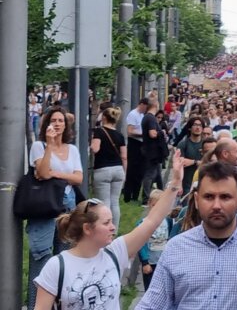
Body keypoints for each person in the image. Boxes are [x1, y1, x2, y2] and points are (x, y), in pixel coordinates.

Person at [33, 153, 183, 310]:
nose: (113, 227)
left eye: (112, 221)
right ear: (87, 229)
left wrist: (175, 183)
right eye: (106, 223)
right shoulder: (57, 266)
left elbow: (151, 222)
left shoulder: (115, 252)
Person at [137, 162, 237, 310]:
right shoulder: (176, 247)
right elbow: (153, 303)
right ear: (197, 200)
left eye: (225, 197)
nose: (216, 205)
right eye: (209, 197)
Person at [26, 108, 84, 310]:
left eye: (61, 120)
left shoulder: (72, 149)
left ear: (66, 125)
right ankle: (36, 305)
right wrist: (50, 145)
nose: (58, 124)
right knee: (41, 257)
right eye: (53, 120)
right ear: (46, 124)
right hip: (44, 205)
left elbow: (78, 178)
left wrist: (56, 174)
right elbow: (41, 172)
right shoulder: (38, 146)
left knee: (64, 257)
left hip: (67, 204)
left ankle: (60, 305)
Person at [90, 106, 127, 228]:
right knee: (115, 202)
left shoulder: (99, 131)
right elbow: (124, 156)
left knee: (104, 203)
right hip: (118, 169)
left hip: (103, 169)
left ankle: (104, 228)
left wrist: (91, 145)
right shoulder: (120, 135)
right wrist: (124, 172)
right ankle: (113, 230)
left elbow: (96, 149)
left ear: (104, 118)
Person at [141, 100, 168, 203]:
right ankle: (146, 198)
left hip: (151, 150)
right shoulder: (151, 118)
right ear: (156, 105)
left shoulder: (147, 117)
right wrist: (162, 133)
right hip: (152, 151)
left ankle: (161, 193)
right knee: (150, 174)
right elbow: (152, 134)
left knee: (157, 173)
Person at [123, 97, 150, 203]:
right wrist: (143, 134)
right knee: (132, 171)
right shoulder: (133, 114)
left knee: (140, 171)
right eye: (146, 107)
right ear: (142, 104)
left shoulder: (143, 115)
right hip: (134, 143)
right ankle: (127, 195)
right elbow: (130, 131)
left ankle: (135, 195)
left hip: (142, 144)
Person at [177, 116, 207, 193]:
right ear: (190, 128)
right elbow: (180, 163)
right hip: (187, 183)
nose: (198, 127)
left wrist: (194, 162)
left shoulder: (206, 144)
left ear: (203, 129)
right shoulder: (183, 144)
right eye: (195, 125)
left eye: (200, 125)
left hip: (203, 182)